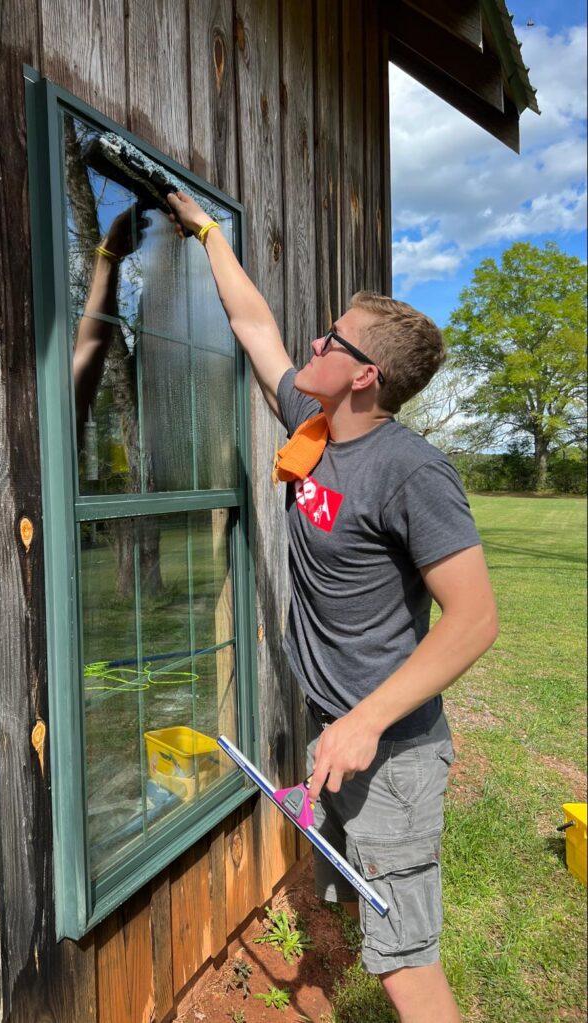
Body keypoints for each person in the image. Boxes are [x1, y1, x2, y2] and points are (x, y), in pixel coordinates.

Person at [165, 190, 498, 1023]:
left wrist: (364, 721)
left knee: (406, 963)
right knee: (363, 915)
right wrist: (206, 232)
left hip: (391, 751)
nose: (313, 342)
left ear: (363, 374)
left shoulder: (411, 472)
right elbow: (255, 328)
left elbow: (475, 619)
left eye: (333, 338)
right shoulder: (314, 430)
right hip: (341, 736)